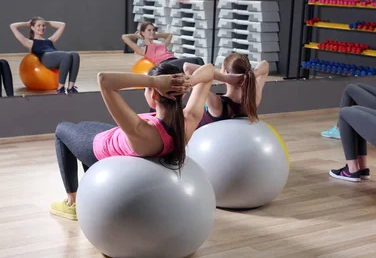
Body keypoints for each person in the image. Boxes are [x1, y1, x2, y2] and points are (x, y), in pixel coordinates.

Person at [50, 62, 215, 220]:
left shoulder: (142, 130)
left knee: (62, 129)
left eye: (146, 89)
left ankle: (72, 202)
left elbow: (104, 79)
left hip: (99, 150)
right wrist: (188, 81)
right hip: (117, 138)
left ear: (154, 93)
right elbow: (209, 71)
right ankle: (92, 193)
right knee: (83, 125)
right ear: (183, 93)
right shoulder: (187, 121)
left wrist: (154, 81)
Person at [184, 54, 269, 128]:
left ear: (227, 72)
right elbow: (265, 64)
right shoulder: (253, 99)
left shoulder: (216, 103)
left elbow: (187, 67)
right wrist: (251, 75)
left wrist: (222, 77)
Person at [10, 17, 79, 94]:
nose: (42, 27)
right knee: (67, 55)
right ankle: (60, 88)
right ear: (32, 28)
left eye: (43, 26)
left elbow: (62, 25)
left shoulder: (50, 40)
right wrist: (27, 24)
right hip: (45, 58)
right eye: (38, 26)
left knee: (75, 55)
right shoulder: (30, 43)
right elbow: (13, 26)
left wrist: (44, 22)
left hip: (55, 57)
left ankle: (71, 87)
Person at [121, 22, 205, 69]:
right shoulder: (143, 49)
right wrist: (138, 36)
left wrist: (154, 35)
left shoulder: (161, 45)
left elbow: (169, 35)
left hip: (175, 61)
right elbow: (124, 37)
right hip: (166, 65)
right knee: (195, 62)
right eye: (149, 30)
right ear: (143, 32)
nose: (152, 31)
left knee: (199, 59)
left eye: (153, 30)